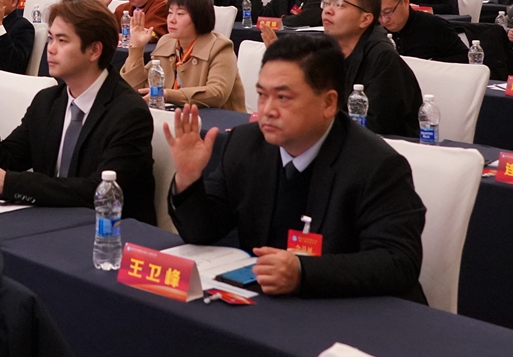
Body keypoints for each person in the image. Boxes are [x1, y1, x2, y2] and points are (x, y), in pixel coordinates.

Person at [164, 33, 427, 301]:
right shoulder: (245, 144)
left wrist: (303, 271)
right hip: (266, 303)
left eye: (283, 97)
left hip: (350, 310)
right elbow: (203, 231)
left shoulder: (376, 166)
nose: (267, 110)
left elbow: (398, 261)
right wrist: (188, 178)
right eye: (262, 95)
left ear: (328, 103)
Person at [0, 0, 156, 223]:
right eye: (51, 38)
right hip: (50, 220)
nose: (51, 48)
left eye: (62, 40)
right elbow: (0, 165)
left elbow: (99, 191)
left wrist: (14, 183)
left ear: (94, 50)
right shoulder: (48, 101)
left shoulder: (128, 112)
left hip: (112, 230)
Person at [320, 0, 423, 138]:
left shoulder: (383, 58)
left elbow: (377, 126)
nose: (328, 10)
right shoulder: (324, 51)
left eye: (339, 5)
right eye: (327, 3)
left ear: (365, 19)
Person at [121, 0, 244, 111]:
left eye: (180, 14)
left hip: (216, 119)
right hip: (172, 114)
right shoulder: (167, 42)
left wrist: (168, 95)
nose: (171, 20)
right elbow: (137, 88)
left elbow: (217, 94)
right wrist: (137, 48)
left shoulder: (220, 47)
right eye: (170, 13)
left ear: (199, 17)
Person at [376, 0, 470, 64]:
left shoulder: (434, 26)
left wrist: (429, 64)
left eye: (388, 12)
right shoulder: (375, 30)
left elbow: (465, 57)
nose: (384, 20)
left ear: (405, 2)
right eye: (378, 14)